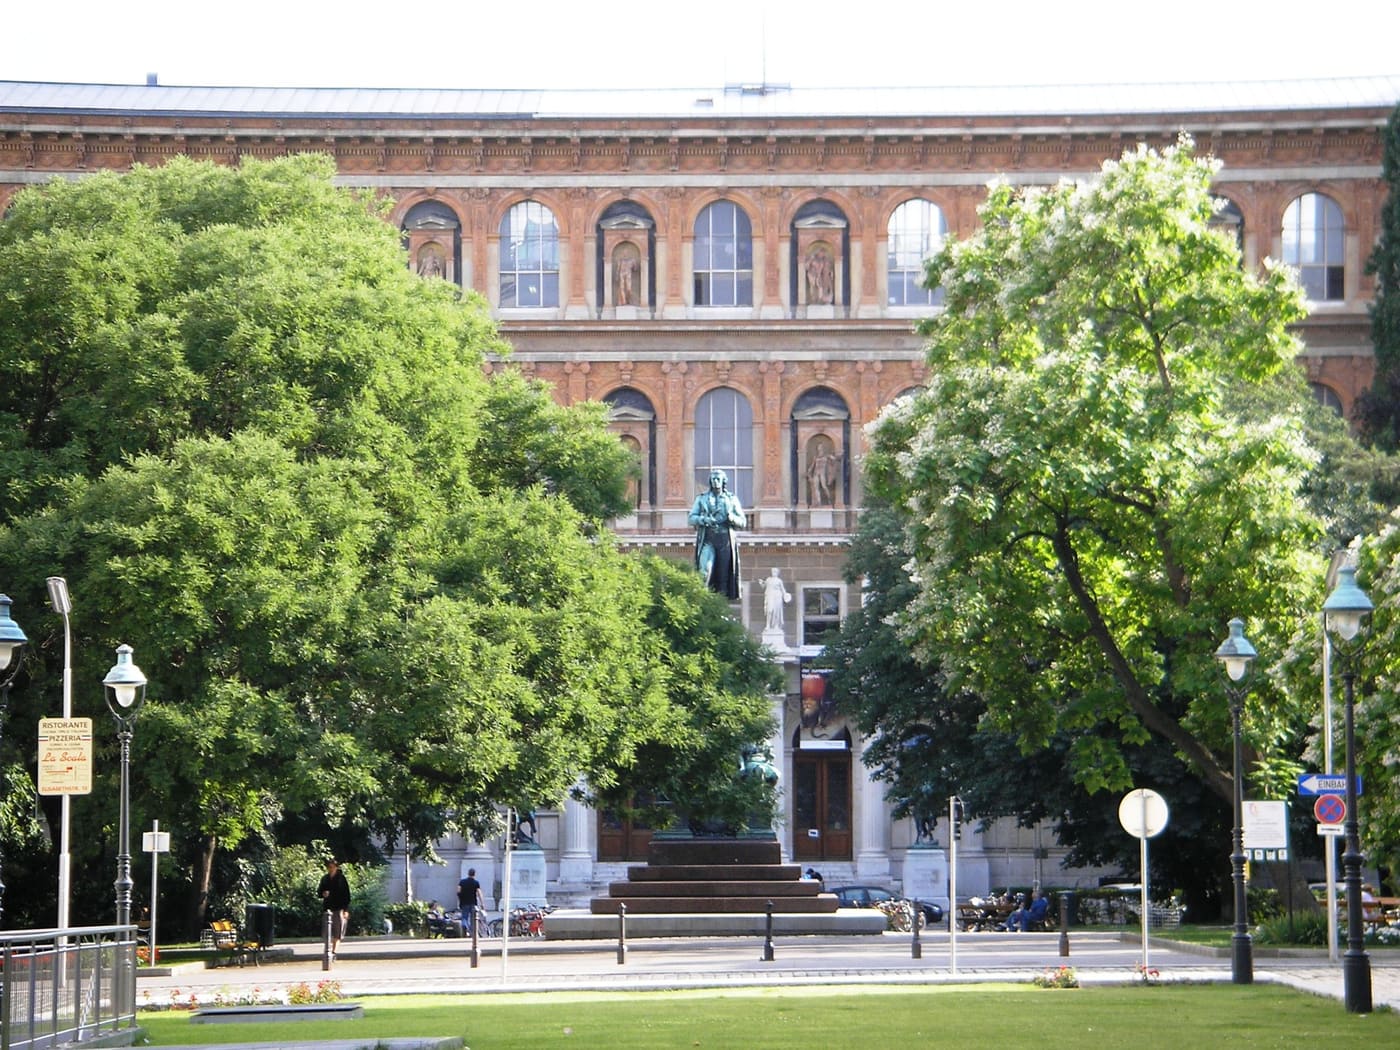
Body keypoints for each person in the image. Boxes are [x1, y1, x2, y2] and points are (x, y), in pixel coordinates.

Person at [688, 468, 746, 599]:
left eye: (718, 479)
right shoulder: (702, 499)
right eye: (713, 479)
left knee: (723, 577)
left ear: (723, 481)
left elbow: (743, 521)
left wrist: (731, 518)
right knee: (704, 571)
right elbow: (691, 518)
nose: (715, 481)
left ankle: (719, 609)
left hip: (725, 540)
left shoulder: (731, 499)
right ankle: (702, 603)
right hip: (709, 539)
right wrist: (705, 520)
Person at [317, 858, 351, 957]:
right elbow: (319, 892)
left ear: (336, 867)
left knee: (338, 931)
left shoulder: (341, 879)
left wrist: (345, 910)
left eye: (332, 867)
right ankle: (327, 950)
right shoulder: (325, 879)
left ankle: (334, 952)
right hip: (327, 908)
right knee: (327, 932)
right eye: (329, 867)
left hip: (339, 908)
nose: (330, 869)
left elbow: (347, 895)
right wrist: (323, 894)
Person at [457, 867, 484, 937]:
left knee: (464, 917)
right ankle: (472, 933)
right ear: (474, 874)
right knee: (473, 919)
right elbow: (479, 893)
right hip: (473, 903)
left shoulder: (462, 882)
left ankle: (465, 925)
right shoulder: (476, 883)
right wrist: (482, 903)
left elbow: (458, 891)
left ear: (468, 874)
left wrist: (460, 898)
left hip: (464, 903)